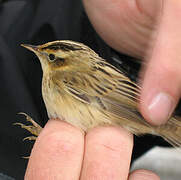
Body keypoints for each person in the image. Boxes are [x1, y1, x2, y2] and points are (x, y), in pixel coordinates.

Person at [1, 0, 179, 179]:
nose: (38, 53)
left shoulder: (62, 77)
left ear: (62, 64)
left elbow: (112, 103)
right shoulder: (62, 74)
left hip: (125, 112)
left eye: (51, 57)